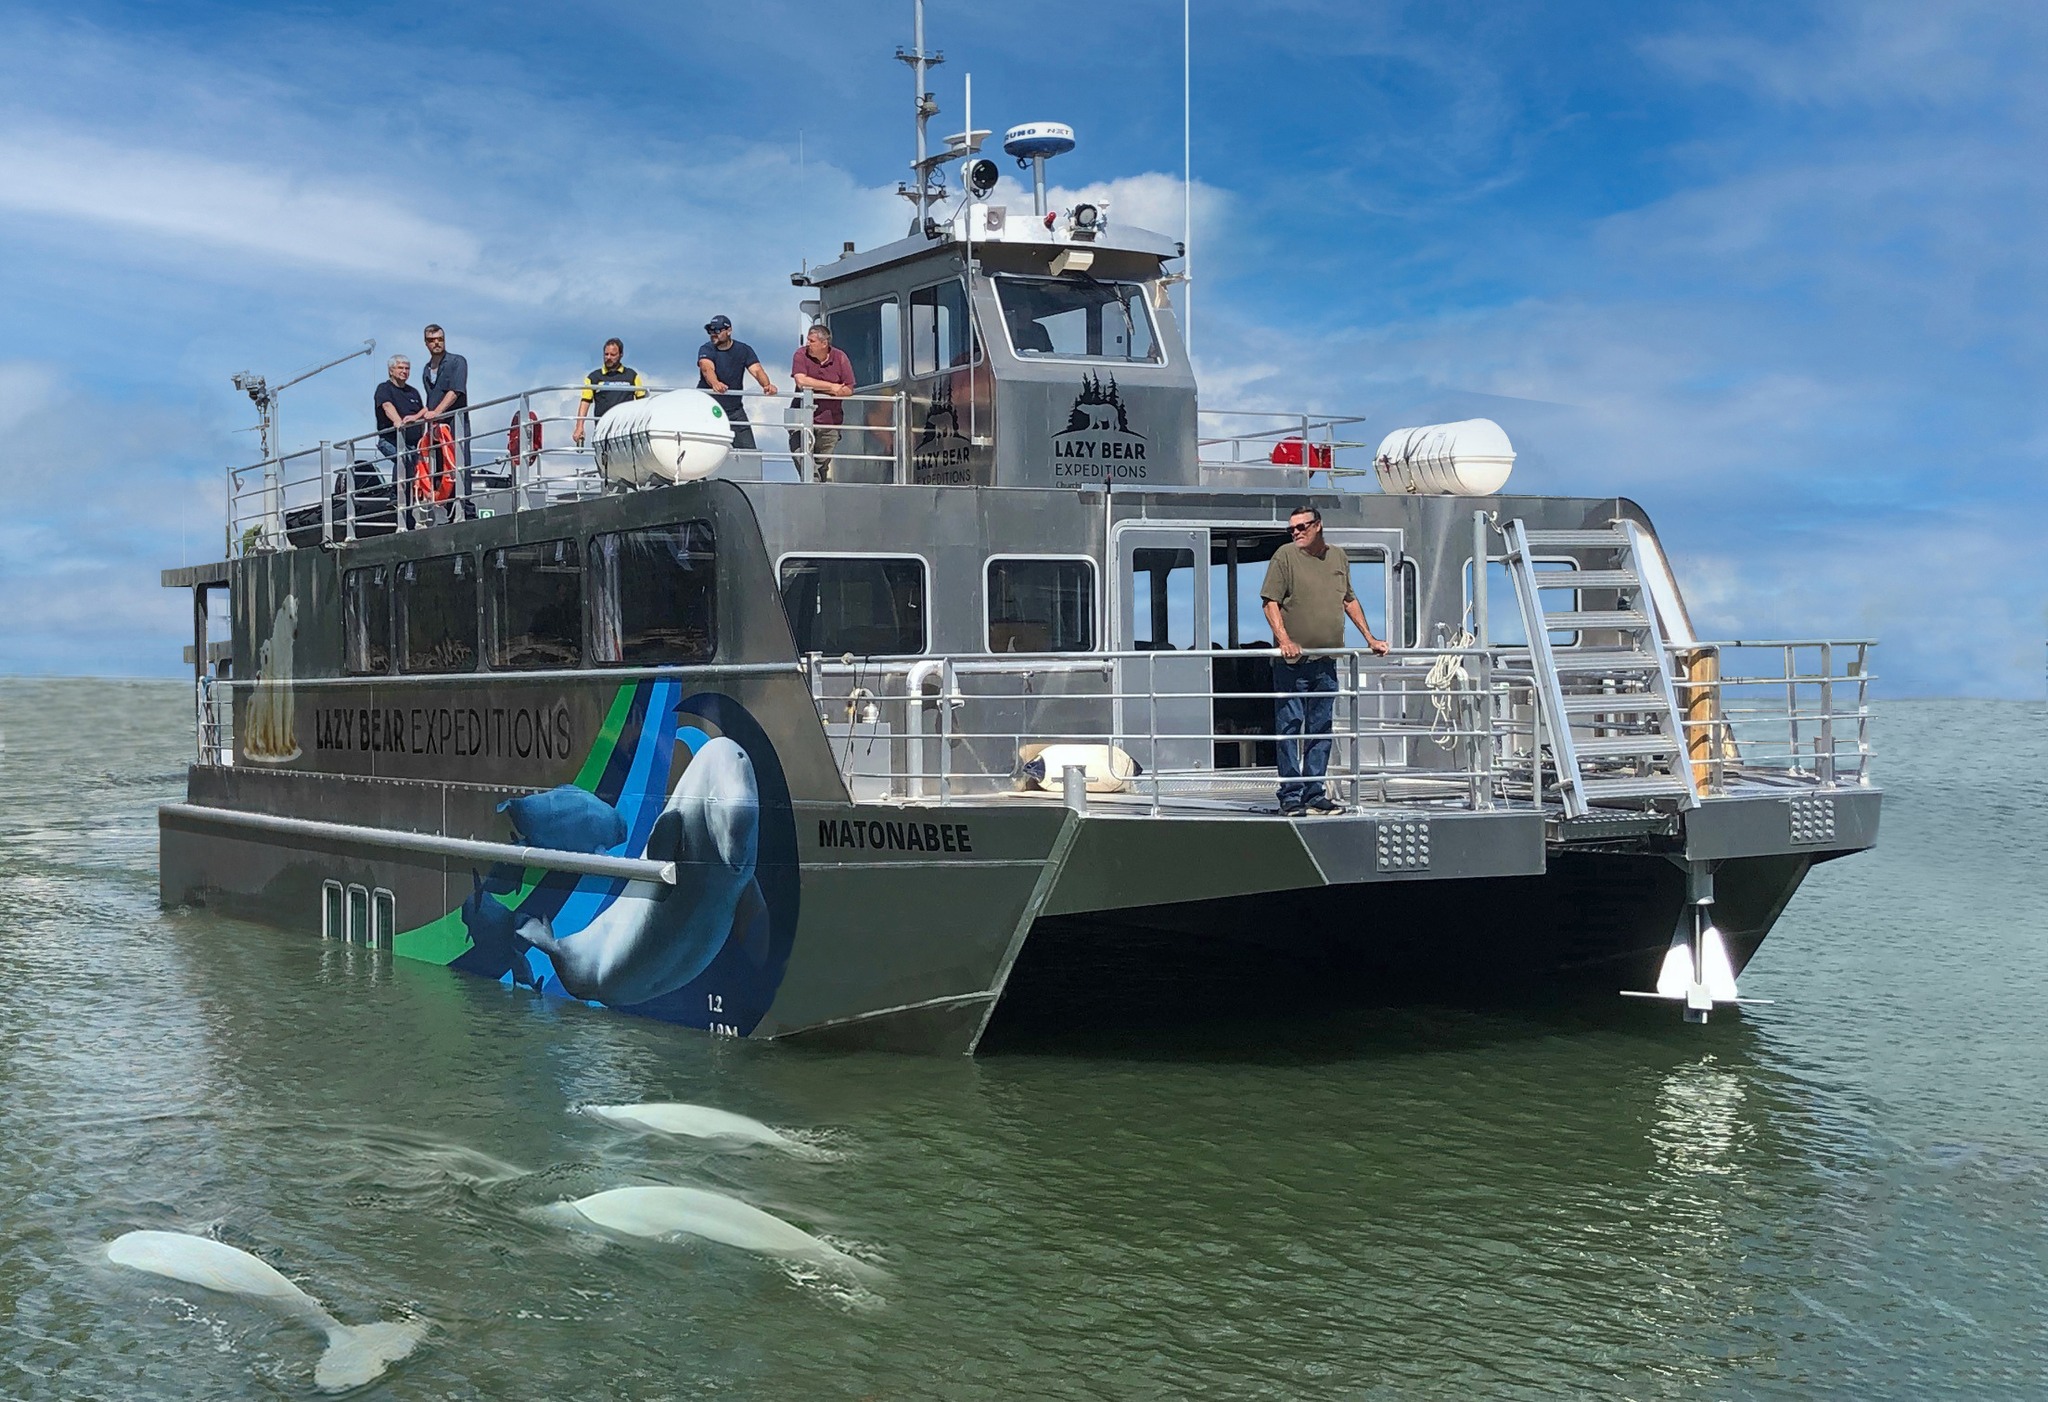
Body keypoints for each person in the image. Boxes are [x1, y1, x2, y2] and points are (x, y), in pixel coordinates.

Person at [1259, 505, 1392, 816]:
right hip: (1292, 664)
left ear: (1318, 525)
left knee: (1321, 728)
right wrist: (1285, 641)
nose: (1296, 532)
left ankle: (1314, 792)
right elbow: (1270, 603)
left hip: (1327, 661)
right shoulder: (1284, 556)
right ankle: (1291, 795)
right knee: (1289, 727)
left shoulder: (1338, 557)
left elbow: (1348, 599)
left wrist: (1370, 639)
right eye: (1292, 529)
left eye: (1302, 527)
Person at [696, 315, 778, 452]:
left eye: (717, 331)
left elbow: (757, 370)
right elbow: (706, 368)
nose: (713, 335)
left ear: (729, 330)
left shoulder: (743, 350)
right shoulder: (706, 349)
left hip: (734, 409)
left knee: (749, 452)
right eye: (710, 331)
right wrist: (715, 383)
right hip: (708, 408)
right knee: (702, 451)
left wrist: (766, 385)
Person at [788, 324, 856, 482]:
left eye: (811, 341)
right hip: (802, 419)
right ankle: (814, 489)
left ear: (824, 343)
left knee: (822, 464)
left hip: (830, 421)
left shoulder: (840, 357)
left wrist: (817, 388)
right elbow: (801, 381)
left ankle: (817, 493)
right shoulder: (800, 354)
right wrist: (831, 387)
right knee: (801, 456)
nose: (807, 344)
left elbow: (848, 389)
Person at [419, 324, 472, 516]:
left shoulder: (457, 362)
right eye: (432, 340)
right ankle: (447, 510)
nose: (437, 343)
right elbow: (430, 401)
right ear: (426, 343)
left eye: (440, 339)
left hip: (454, 423)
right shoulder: (426, 370)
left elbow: (456, 391)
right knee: (440, 466)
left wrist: (438, 412)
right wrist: (418, 416)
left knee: (460, 463)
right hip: (436, 428)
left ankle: (465, 510)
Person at [372, 355, 425, 524]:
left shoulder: (413, 392)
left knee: (411, 469)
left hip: (412, 442)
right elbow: (387, 406)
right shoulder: (384, 388)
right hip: (390, 440)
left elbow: (424, 411)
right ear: (391, 370)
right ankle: (395, 497)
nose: (404, 371)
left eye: (407, 368)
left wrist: (414, 418)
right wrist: (397, 421)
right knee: (402, 458)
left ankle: (408, 518)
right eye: (400, 368)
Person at [572, 338, 646, 446]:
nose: (608, 358)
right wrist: (579, 427)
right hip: (602, 430)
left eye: (613, 354)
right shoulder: (593, 378)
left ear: (621, 355)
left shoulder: (632, 376)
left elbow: (642, 403)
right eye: (606, 354)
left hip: (625, 430)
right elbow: (585, 402)